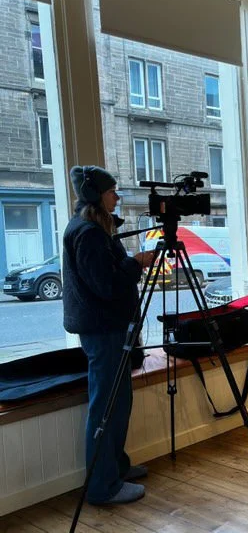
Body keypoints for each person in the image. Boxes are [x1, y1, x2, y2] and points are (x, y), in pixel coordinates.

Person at [62, 165, 155, 505]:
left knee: (119, 402)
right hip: (103, 331)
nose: (117, 196)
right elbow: (106, 285)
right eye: (112, 191)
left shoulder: (96, 230)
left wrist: (129, 261)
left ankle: (116, 468)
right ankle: (103, 486)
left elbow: (107, 274)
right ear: (96, 195)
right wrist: (137, 263)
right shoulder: (87, 233)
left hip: (111, 328)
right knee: (106, 407)